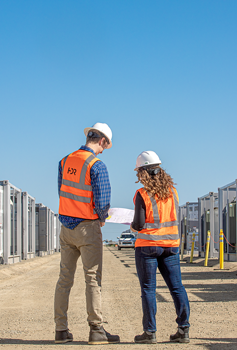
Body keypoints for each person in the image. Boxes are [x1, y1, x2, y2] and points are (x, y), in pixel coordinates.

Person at [54, 122, 120, 345]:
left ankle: (61, 330)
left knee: (65, 279)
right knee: (92, 278)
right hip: (88, 227)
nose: (103, 151)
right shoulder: (97, 165)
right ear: (101, 141)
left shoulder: (64, 161)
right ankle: (96, 330)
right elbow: (103, 201)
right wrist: (101, 218)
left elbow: (62, 191)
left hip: (66, 227)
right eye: (105, 146)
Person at [130, 151, 190, 344]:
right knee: (177, 287)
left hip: (148, 246)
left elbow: (138, 224)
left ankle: (150, 332)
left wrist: (131, 226)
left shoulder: (142, 193)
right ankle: (183, 329)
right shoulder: (173, 191)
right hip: (171, 246)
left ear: (143, 172)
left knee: (148, 289)